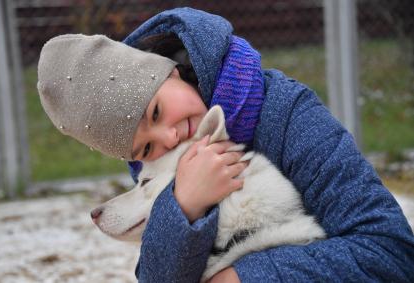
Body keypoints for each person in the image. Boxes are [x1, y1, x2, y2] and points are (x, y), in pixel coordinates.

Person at [37, 7, 414, 283]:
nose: (170, 138)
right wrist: (183, 206)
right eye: (145, 151)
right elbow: (156, 275)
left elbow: (391, 253)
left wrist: (242, 278)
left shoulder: (287, 114)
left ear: (168, 70)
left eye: (155, 113)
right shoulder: (166, 153)